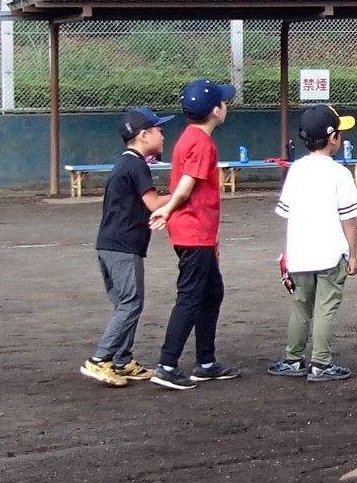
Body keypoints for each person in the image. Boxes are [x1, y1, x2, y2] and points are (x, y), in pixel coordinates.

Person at [147, 78, 240, 389]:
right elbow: (187, 185)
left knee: (212, 292)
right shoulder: (201, 143)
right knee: (190, 296)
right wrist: (169, 207)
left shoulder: (189, 136)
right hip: (193, 230)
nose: (226, 105)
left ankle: (206, 361)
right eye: (223, 102)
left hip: (197, 232)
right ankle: (167, 363)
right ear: (215, 110)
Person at [268, 104, 357, 382]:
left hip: (300, 254)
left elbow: (287, 216)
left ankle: (293, 359)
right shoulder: (340, 174)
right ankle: (321, 364)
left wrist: (288, 251)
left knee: (301, 306)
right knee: (326, 307)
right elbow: (349, 219)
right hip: (331, 254)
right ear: (333, 137)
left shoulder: (296, 171)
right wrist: (354, 255)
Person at [80, 106, 173, 387]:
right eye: (158, 130)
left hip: (111, 245)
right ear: (144, 135)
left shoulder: (126, 163)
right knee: (131, 303)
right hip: (122, 247)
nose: (163, 135)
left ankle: (122, 359)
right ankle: (100, 360)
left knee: (126, 303)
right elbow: (154, 204)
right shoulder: (135, 164)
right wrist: (184, 193)